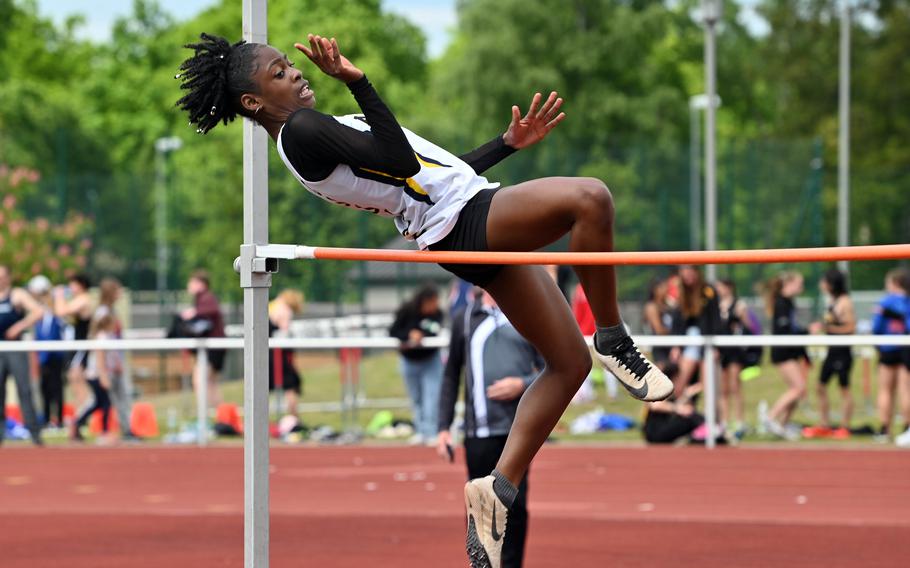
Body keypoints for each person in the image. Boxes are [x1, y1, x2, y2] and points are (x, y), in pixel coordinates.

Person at [176, 33, 672, 567]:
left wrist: (504, 145)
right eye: (278, 73)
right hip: (466, 222)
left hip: (459, 220)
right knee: (590, 198)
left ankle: (496, 490)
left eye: (288, 66)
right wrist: (357, 80)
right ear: (253, 102)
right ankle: (615, 338)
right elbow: (402, 163)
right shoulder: (300, 130)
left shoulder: (310, 133)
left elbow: (425, 172)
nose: (296, 73)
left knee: (568, 363)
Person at [438, 288, 543, 568]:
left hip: (518, 430)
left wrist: (521, 384)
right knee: (480, 507)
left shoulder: (527, 311)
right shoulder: (465, 318)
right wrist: (443, 427)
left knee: (515, 507)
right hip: (479, 432)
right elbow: (452, 374)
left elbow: (551, 368)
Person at [389, 285, 445, 444]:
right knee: (416, 398)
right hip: (409, 361)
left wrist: (423, 335)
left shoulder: (437, 314)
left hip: (430, 361)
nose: (435, 305)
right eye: (433, 302)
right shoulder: (406, 310)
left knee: (432, 397)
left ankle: (432, 431)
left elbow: (435, 331)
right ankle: (420, 430)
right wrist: (409, 335)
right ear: (424, 300)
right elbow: (393, 331)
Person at [806, 269, 856, 439]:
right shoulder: (832, 301)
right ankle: (825, 424)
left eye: (823, 281)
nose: (821, 284)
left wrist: (828, 328)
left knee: (844, 389)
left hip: (843, 352)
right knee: (820, 386)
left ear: (831, 284)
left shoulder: (844, 302)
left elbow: (850, 328)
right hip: (831, 351)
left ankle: (845, 426)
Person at [0, 264, 44, 446]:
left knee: (24, 390)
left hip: (15, 349)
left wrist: (19, 327)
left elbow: (39, 311)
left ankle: (34, 434)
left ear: (8, 277)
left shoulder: (17, 295)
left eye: (2, 276)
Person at [764, 271, 809, 440]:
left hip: (791, 351)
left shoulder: (789, 302)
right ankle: (770, 417)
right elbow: (785, 330)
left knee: (798, 390)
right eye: (799, 283)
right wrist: (806, 331)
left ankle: (783, 424)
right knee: (798, 389)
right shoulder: (781, 303)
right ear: (788, 284)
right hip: (783, 352)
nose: (801, 287)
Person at [715, 279, 757, 440]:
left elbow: (749, 327)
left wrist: (739, 324)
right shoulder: (717, 306)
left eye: (721, 287)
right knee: (724, 388)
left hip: (735, 350)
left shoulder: (739, 305)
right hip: (722, 350)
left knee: (735, 386)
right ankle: (724, 422)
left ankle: (739, 421)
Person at [871, 268, 910, 441]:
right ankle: (907, 428)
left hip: (888, 348)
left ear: (894, 283)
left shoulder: (886, 302)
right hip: (905, 347)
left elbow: (876, 327)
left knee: (885, 390)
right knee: (905, 389)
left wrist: (877, 343)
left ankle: (885, 429)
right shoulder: (908, 301)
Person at [672, 265, 721, 398]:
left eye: (689, 271)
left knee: (709, 386)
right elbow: (678, 321)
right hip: (688, 342)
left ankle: (707, 414)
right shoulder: (681, 292)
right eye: (683, 271)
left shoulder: (708, 290)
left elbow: (715, 319)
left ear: (696, 272)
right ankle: (679, 410)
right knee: (679, 382)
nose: (687, 274)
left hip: (707, 341)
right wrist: (676, 345)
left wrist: (716, 346)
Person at [72, 311, 120, 443]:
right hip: (96, 375)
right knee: (105, 403)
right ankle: (104, 432)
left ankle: (77, 423)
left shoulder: (105, 336)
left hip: (96, 374)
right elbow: (100, 359)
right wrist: (103, 377)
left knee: (98, 403)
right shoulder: (102, 337)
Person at [95, 278, 133, 438]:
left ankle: (127, 430)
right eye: (117, 291)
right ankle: (105, 431)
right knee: (105, 400)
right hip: (108, 364)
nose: (120, 294)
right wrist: (102, 371)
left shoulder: (113, 311)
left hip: (116, 361)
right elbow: (100, 342)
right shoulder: (102, 313)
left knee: (122, 397)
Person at [181, 270, 226, 407]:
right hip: (213, 347)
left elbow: (213, 309)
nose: (189, 286)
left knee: (200, 381)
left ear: (200, 284)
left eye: (192, 282)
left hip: (213, 348)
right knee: (210, 383)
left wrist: (194, 312)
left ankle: (207, 416)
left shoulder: (207, 298)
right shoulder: (201, 299)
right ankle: (221, 416)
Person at [27, 275, 66, 429]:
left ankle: (60, 421)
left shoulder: (56, 312)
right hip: (43, 357)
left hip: (55, 356)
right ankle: (46, 419)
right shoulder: (39, 314)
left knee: (57, 388)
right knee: (44, 388)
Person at [54, 273, 93, 408]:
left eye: (72, 284)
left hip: (82, 345)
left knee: (77, 377)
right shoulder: (79, 299)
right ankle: (81, 413)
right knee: (74, 378)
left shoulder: (83, 299)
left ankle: (84, 413)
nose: (70, 287)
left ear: (81, 285)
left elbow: (61, 311)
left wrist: (59, 296)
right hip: (76, 345)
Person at [269, 289, 305, 416]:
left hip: (269, 352)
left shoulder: (272, 305)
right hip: (279, 354)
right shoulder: (285, 310)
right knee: (290, 386)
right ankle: (294, 418)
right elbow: (283, 333)